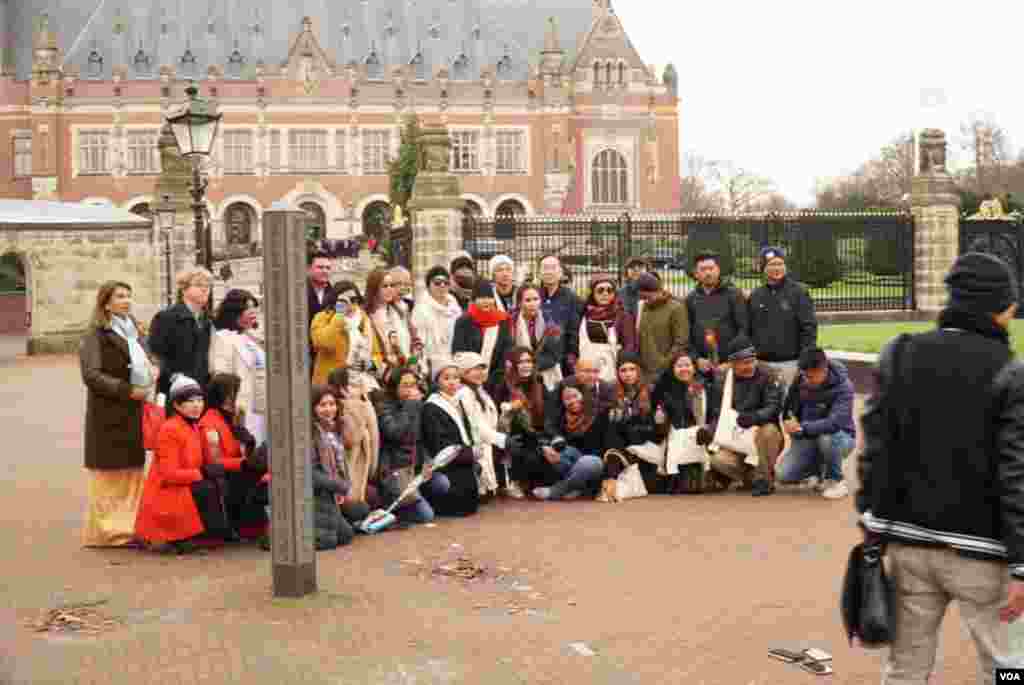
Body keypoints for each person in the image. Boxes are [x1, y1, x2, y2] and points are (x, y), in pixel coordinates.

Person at [857, 252, 1024, 682]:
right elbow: (1015, 475)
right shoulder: (1011, 372)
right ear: (1001, 308)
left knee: (905, 669)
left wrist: (872, 524)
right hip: (984, 554)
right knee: (1009, 668)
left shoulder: (900, 353)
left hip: (908, 544)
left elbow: (876, 449)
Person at [79, 281, 154, 548]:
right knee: (108, 473)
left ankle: (129, 527)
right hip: (108, 412)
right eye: (120, 296)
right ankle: (107, 532)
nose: (126, 301)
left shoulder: (134, 331)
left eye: (129, 296)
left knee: (132, 471)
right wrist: (126, 389)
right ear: (106, 302)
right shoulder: (95, 334)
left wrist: (153, 372)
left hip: (134, 410)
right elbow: (91, 375)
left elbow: (148, 359)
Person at [135, 374, 232, 554]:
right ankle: (182, 537)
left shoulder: (193, 426)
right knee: (206, 486)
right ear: (177, 405)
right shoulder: (170, 429)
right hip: (167, 490)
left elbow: (206, 460)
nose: (197, 405)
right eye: (190, 401)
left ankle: (204, 535)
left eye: (200, 400)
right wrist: (201, 473)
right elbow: (169, 475)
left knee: (218, 482)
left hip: (184, 482)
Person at [706, 336, 784, 497]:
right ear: (732, 364)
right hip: (734, 437)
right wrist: (709, 432)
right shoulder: (722, 378)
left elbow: (774, 406)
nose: (750, 366)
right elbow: (716, 413)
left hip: (761, 434)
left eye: (752, 361)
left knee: (769, 431)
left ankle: (764, 479)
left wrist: (755, 417)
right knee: (716, 459)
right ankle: (750, 478)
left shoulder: (769, 374)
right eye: (744, 363)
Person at [776, 347, 856, 500]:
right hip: (807, 436)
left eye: (811, 376)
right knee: (783, 475)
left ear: (823, 369)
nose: (806, 380)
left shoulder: (844, 387)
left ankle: (836, 481)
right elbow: (788, 409)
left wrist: (801, 427)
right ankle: (817, 472)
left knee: (827, 437)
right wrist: (788, 421)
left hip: (840, 438)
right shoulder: (800, 379)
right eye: (804, 375)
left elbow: (835, 423)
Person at [198, 374, 268, 540]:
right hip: (225, 474)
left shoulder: (230, 419)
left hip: (237, 470)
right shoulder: (209, 423)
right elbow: (214, 461)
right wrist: (243, 462)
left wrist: (248, 444)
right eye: (234, 395)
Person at [747, 247, 818, 391]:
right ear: (763, 268)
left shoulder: (799, 292)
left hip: (790, 364)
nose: (777, 268)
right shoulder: (756, 295)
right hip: (761, 364)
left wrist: (805, 359)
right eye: (772, 264)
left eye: (780, 264)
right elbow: (749, 328)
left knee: (787, 408)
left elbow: (809, 327)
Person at [373, 367, 436, 524]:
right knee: (426, 516)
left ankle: (413, 498)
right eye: (405, 385)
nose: (411, 390)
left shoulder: (417, 405)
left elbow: (425, 438)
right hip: (395, 469)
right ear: (395, 388)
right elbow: (395, 433)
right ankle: (397, 508)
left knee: (441, 483)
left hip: (415, 467)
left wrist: (428, 461)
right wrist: (409, 406)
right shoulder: (384, 406)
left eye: (413, 385)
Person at [310, 385, 369, 550]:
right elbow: (312, 474)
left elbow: (353, 439)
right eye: (323, 405)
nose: (329, 409)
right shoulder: (310, 433)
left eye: (332, 404)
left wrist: (350, 405)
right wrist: (341, 487)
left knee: (347, 534)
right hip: (316, 495)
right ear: (312, 407)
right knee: (329, 541)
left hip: (331, 493)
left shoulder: (332, 429)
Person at [651, 351, 720, 493]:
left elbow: (715, 414)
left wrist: (709, 430)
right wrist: (661, 421)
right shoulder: (665, 390)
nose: (684, 369)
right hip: (678, 442)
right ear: (672, 369)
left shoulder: (705, 388)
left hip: (705, 438)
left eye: (687, 365)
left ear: (694, 367)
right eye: (679, 366)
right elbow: (661, 421)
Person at [419, 358, 481, 517]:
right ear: (437, 381)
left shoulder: (457, 401)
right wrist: (469, 453)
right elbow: (439, 446)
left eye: (455, 377)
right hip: (445, 465)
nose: (452, 382)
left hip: (461, 461)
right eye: (446, 378)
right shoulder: (431, 407)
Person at [455, 351, 520, 499]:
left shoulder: (479, 390)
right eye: (474, 369)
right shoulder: (464, 393)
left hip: (488, 442)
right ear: (464, 372)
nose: (480, 373)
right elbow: (476, 426)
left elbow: (489, 421)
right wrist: (502, 440)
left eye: (482, 368)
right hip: (476, 444)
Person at [149, 267, 215, 407]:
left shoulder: (207, 321)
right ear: (184, 289)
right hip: (174, 392)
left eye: (208, 286)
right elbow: (155, 355)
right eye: (198, 285)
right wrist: (175, 377)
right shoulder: (166, 318)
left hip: (201, 392)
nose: (205, 289)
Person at [532, 381, 607, 501]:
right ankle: (576, 487)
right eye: (567, 398)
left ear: (583, 394)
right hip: (572, 463)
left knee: (585, 462)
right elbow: (546, 436)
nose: (572, 401)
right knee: (559, 451)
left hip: (596, 462)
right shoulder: (560, 416)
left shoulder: (599, 413)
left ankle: (556, 491)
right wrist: (546, 448)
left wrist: (611, 475)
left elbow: (610, 444)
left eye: (575, 396)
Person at [209, 289, 267, 445]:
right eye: (247, 308)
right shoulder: (223, 338)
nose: (253, 311)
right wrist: (230, 405)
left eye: (254, 307)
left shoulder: (253, 337)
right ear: (234, 312)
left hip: (262, 404)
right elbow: (221, 374)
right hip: (242, 405)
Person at [492, 346, 547, 499]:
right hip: (511, 432)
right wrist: (510, 408)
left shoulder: (538, 380)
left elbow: (546, 409)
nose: (526, 365)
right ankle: (513, 481)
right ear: (513, 364)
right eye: (521, 361)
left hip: (535, 431)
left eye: (529, 361)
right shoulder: (504, 383)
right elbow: (497, 410)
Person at [685, 252, 748, 382]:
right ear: (696, 274)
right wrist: (696, 359)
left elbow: (744, 329)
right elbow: (686, 333)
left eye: (711, 268)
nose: (708, 273)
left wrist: (732, 361)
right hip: (702, 367)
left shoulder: (734, 295)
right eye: (703, 269)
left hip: (728, 366)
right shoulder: (690, 299)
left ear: (718, 270)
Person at [605, 352, 661, 492]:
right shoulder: (611, 389)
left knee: (651, 487)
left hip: (645, 442)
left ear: (638, 370)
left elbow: (655, 423)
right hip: (622, 443)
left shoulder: (650, 389)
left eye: (632, 369)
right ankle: (614, 470)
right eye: (623, 370)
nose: (628, 374)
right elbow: (612, 422)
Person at [326, 367, 381, 508]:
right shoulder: (346, 408)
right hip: (343, 481)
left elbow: (374, 440)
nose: (362, 388)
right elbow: (352, 439)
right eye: (354, 385)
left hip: (356, 477)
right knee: (362, 507)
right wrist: (360, 406)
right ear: (343, 388)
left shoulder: (362, 405)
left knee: (372, 499)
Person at [310, 281, 379, 386]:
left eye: (354, 300)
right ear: (335, 300)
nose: (350, 304)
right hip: (332, 385)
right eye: (344, 300)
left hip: (361, 382)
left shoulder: (364, 320)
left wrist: (369, 364)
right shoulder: (322, 317)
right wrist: (339, 314)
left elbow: (376, 353)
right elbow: (324, 343)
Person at [452, 281, 514, 392]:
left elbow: (507, 349)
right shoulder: (463, 322)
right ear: (474, 300)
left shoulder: (502, 320)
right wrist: (474, 375)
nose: (486, 301)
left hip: (496, 381)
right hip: (468, 381)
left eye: (489, 297)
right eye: (481, 297)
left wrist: (495, 378)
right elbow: (459, 352)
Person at [579, 274, 637, 383]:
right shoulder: (584, 313)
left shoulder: (623, 316)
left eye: (609, 290)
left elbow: (630, 345)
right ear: (593, 293)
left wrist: (623, 368)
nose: (605, 294)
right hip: (588, 369)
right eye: (600, 290)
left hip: (613, 369)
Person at [544, 357, 617, 440]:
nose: (591, 376)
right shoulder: (565, 385)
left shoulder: (605, 388)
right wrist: (556, 437)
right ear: (576, 371)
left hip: (595, 438)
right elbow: (551, 416)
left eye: (595, 371)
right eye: (587, 371)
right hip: (566, 437)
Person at [509, 284, 566, 392]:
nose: (533, 304)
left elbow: (555, 354)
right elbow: (508, 350)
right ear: (520, 303)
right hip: (518, 375)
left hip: (547, 375)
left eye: (536, 299)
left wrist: (532, 367)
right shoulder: (511, 322)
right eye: (528, 300)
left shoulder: (552, 321)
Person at [365, 268, 420, 378]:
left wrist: (414, 361)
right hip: (384, 377)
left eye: (392, 285)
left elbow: (415, 340)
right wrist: (388, 375)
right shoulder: (366, 317)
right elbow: (367, 356)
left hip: (408, 373)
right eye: (385, 286)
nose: (390, 289)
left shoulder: (401, 311)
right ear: (374, 288)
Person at [410, 266, 463, 381]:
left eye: (446, 283)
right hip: (432, 364)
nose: (442, 286)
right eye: (437, 283)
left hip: (454, 362)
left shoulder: (455, 307)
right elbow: (418, 342)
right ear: (429, 285)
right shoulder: (421, 309)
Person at [635, 272, 689, 382]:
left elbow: (681, 341)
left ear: (658, 291)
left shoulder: (676, 308)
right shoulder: (643, 307)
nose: (645, 300)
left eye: (647, 297)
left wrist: (664, 363)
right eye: (641, 297)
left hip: (666, 371)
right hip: (644, 370)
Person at [537, 255, 583, 376]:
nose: (549, 271)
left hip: (561, 359)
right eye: (545, 268)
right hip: (536, 358)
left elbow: (574, 330)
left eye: (553, 267)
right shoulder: (534, 295)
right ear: (539, 273)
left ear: (560, 272)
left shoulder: (572, 298)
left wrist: (572, 356)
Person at [307, 251, 335, 363]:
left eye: (328, 268)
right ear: (309, 269)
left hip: (328, 354)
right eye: (320, 267)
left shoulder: (335, 294)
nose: (325, 271)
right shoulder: (298, 293)